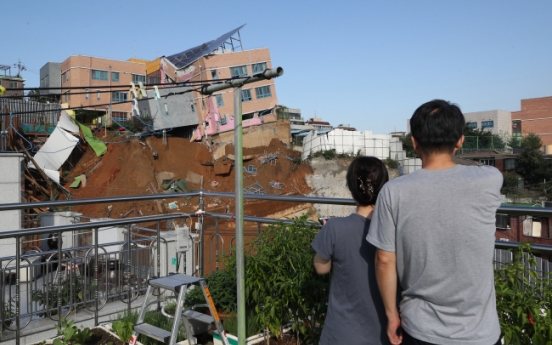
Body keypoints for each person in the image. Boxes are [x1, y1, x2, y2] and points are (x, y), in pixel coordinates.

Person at [367, 100, 502, 345]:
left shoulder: (393, 192)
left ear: (414, 142)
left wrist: (391, 316)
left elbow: (384, 260)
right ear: (460, 141)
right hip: (481, 332)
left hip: (420, 329)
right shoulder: (490, 179)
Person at [311, 156, 390, 345]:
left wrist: (327, 238)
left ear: (351, 188)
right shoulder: (393, 230)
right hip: (385, 335)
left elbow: (321, 268)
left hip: (341, 335)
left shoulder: (335, 228)